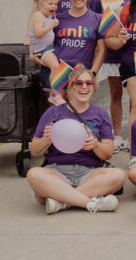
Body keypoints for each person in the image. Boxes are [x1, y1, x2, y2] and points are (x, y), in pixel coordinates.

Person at [26, 66, 124, 215]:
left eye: (89, 83)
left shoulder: (101, 113)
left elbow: (108, 153)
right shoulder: (53, 112)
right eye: (78, 83)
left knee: (118, 175)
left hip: (89, 173)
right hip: (56, 171)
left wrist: (96, 145)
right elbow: (35, 150)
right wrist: (48, 139)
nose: (84, 87)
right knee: (33, 174)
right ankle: (90, 203)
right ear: (69, 88)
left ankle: (61, 201)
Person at [100, 0, 129, 151]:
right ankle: (117, 137)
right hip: (112, 53)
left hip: (130, 51)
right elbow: (100, 25)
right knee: (116, 94)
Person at [52, 0, 106, 73]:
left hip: (82, 76)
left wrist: (92, 73)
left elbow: (101, 50)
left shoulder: (98, 19)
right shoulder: (57, 19)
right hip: (58, 74)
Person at [27, 0, 60, 73]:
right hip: (42, 49)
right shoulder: (38, 16)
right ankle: (54, 86)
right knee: (55, 66)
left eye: (56, 4)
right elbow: (38, 33)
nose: (54, 6)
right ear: (41, 4)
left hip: (48, 47)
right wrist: (51, 26)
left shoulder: (48, 16)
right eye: (50, 4)